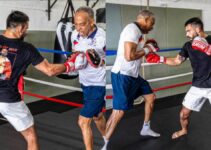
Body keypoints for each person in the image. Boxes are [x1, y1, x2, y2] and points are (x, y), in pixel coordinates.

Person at [0, 10, 73, 150]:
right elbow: (49, 70)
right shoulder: (26, 49)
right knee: (31, 136)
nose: (26, 30)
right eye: (26, 27)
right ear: (21, 28)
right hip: (7, 99)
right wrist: (69, 65)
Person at [102, 10, 161, 150]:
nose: (152, 27)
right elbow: (129, 56)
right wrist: (147, 50)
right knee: (118, 111)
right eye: (151, 23)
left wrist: (147, 49)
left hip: (133, 75)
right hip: (123, 75)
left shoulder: (138, 32)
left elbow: (136, 53)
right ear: (145, 20)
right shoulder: (132, 30)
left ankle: (145, 128)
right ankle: (104, 142)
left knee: (150, 97)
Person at [145, 17, 211, 139]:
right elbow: (176, 61)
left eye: (188, 30)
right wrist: (159, 59)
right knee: (183, 114)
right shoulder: (188, 45)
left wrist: (208, 48)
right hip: (198, 85)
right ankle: (183, 130)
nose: (186, 34)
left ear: (197, 28)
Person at [71, 7, 106, 150]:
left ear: (91, 21)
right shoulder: (74, 34)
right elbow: (75, 52)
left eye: (82, 24)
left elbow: (99, 60)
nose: (78, 28)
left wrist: (98, 60)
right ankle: (108, 140)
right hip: (85, 82)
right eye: (76, 24)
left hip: (98, 84)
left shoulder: (101, 38)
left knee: (83, 122)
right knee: (97, 116)